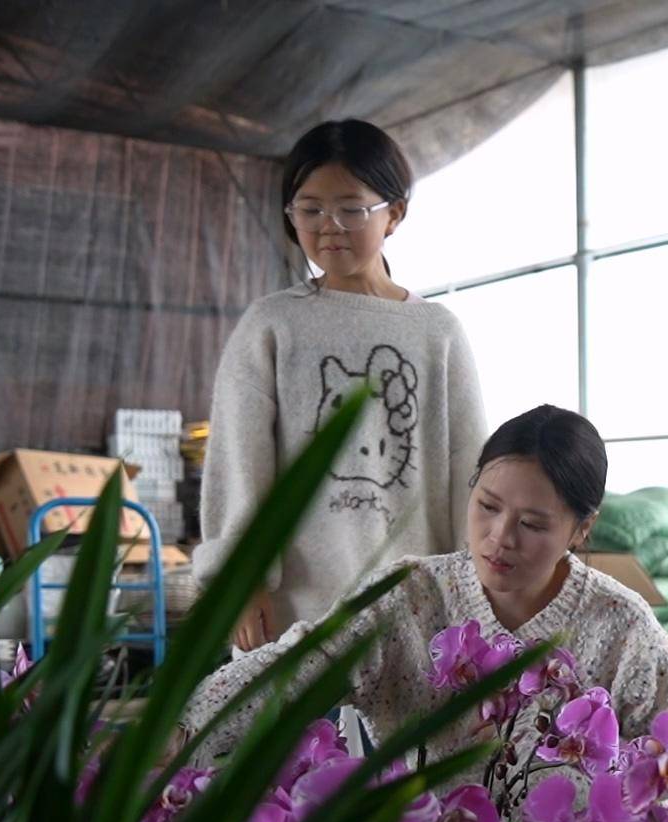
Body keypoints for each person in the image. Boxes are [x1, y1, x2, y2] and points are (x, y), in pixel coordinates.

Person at [181, 405, 668, 788]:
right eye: (487, 506)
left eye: (533, 524)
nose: (499, 537)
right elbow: (303, 664)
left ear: (582, 529)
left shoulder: (624, 628)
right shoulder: (411, 596)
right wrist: (185, 728)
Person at [195, 118, 486, 651]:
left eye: (351, 209)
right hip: (292, 615)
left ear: (394, 213)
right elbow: (240, 460)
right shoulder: (272, 325)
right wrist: (242, 579)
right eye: (309, 210)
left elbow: (467, 470)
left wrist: (474, 597)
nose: (329, 226)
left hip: (413, 613)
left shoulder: (437, 332)